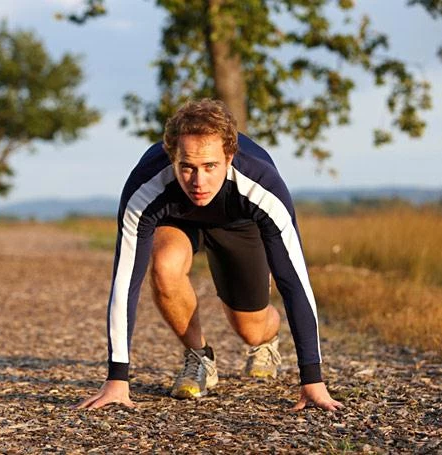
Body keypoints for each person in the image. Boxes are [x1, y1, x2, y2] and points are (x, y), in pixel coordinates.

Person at [77, 99, 343, 411]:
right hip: (176, 221)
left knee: (251, 328)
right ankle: (199, 357)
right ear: (172, 157)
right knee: (164, 266)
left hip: (238, 223)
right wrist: (117, 379)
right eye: (186, 167)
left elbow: (294, 282)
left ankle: (267, 341)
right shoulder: (145, 186)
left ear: (229, 157)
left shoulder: (262, 184)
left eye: (210, 167)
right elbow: (125, 283)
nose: (198, 182)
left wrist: (312, 379)